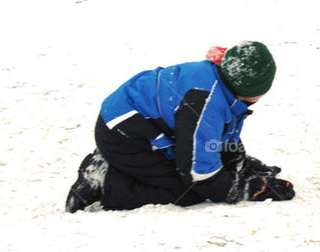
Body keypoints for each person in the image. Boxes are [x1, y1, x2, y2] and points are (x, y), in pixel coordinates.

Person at [65, 40, 295, 212]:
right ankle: (105, 180)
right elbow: (199, 174)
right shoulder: (206, 102)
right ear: (254, 90)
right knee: (186, 190)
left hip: (143, 125)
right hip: (124, 137)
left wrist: (237, 162)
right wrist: (245, 188)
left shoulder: (220, 79)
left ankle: (115, 166)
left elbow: (214, 135)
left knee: (199, 170)